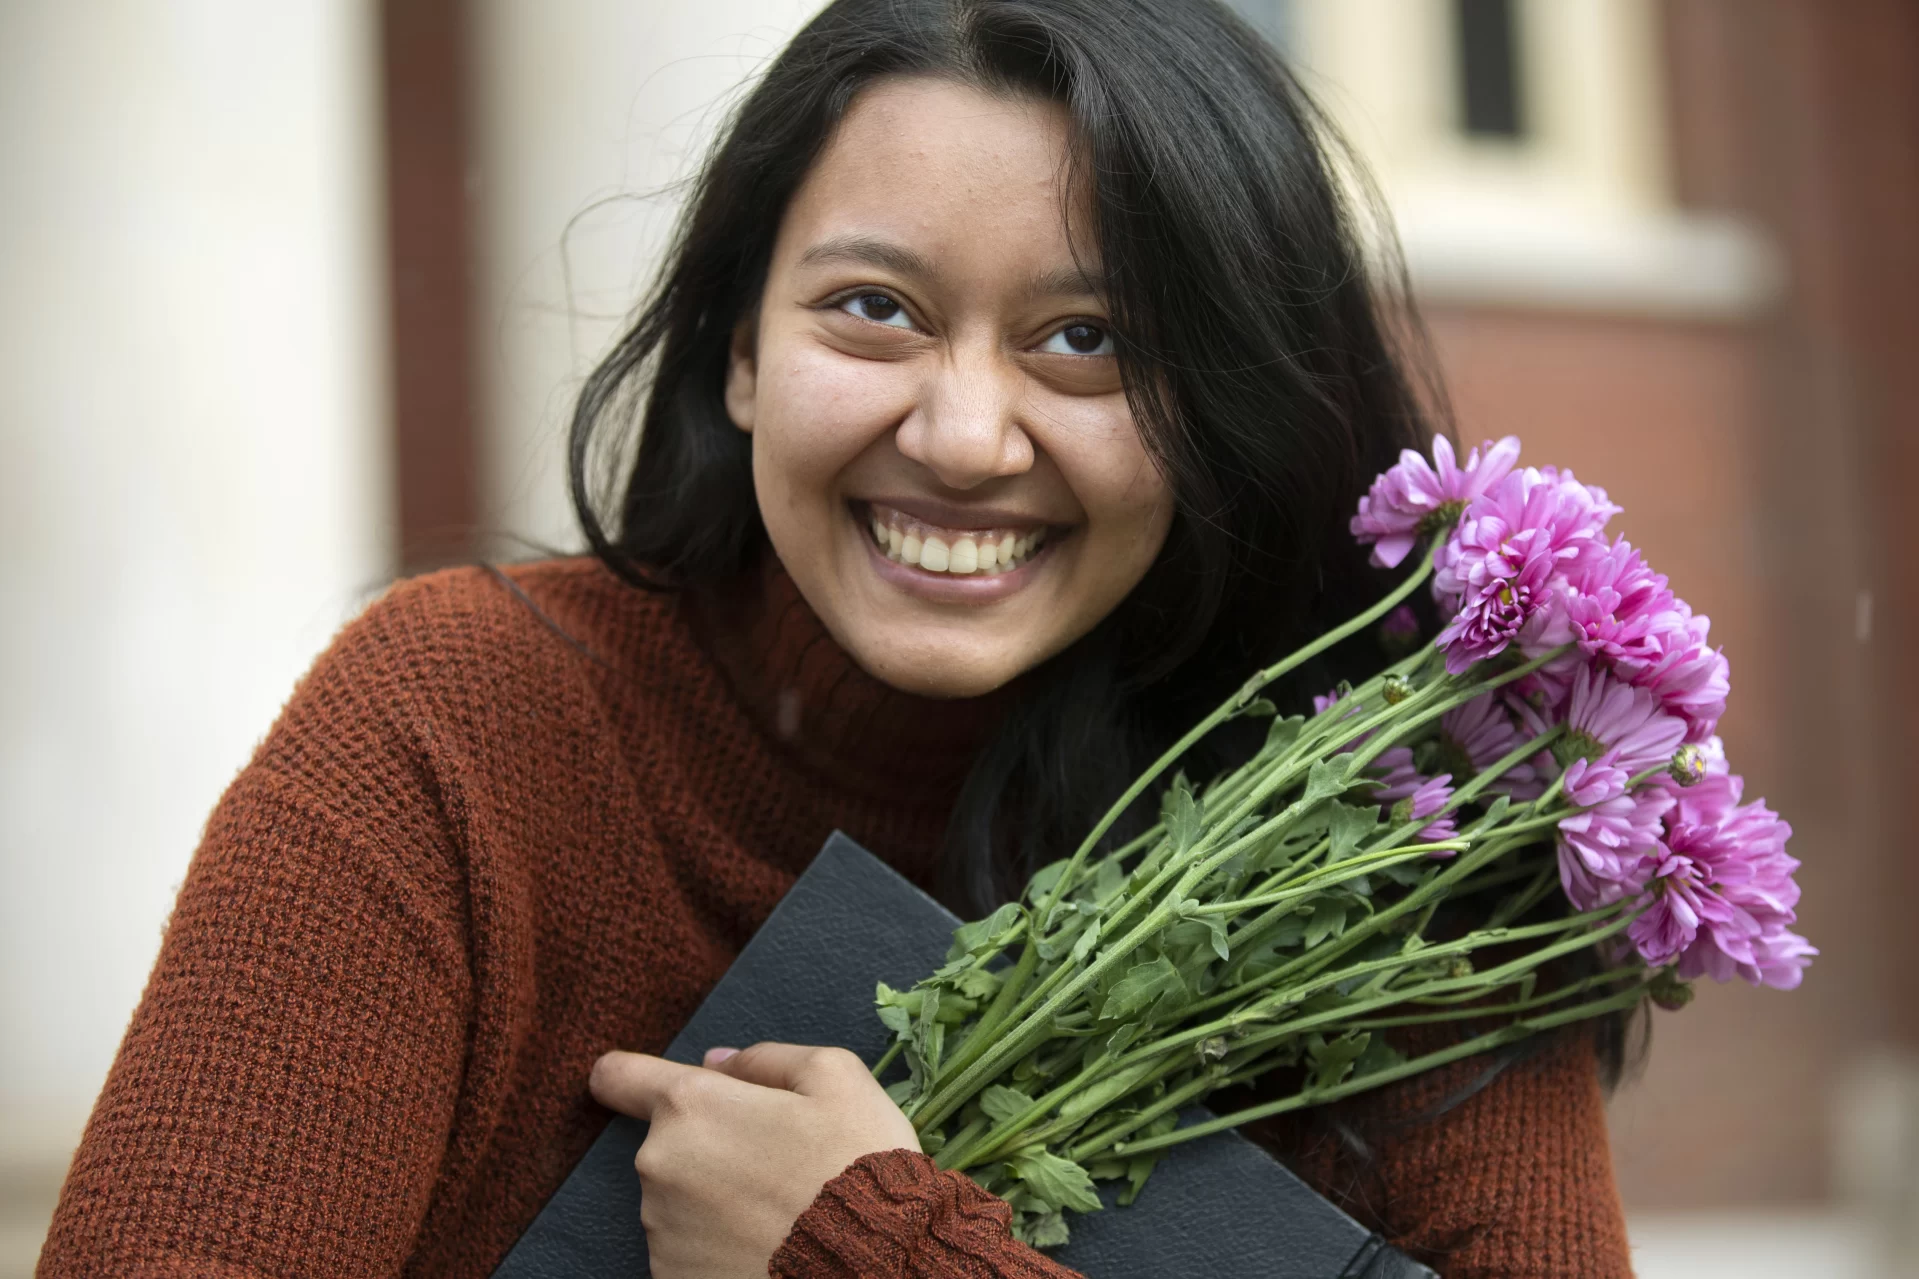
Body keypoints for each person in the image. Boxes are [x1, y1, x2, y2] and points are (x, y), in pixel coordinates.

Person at [37, 0, 1634, 1275]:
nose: (960, 433)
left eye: (1084, 341)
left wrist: (856, 1242)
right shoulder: (461, 729)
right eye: (873, 308)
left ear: (1218, 404)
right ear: (740, 350)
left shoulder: (1385, 867)